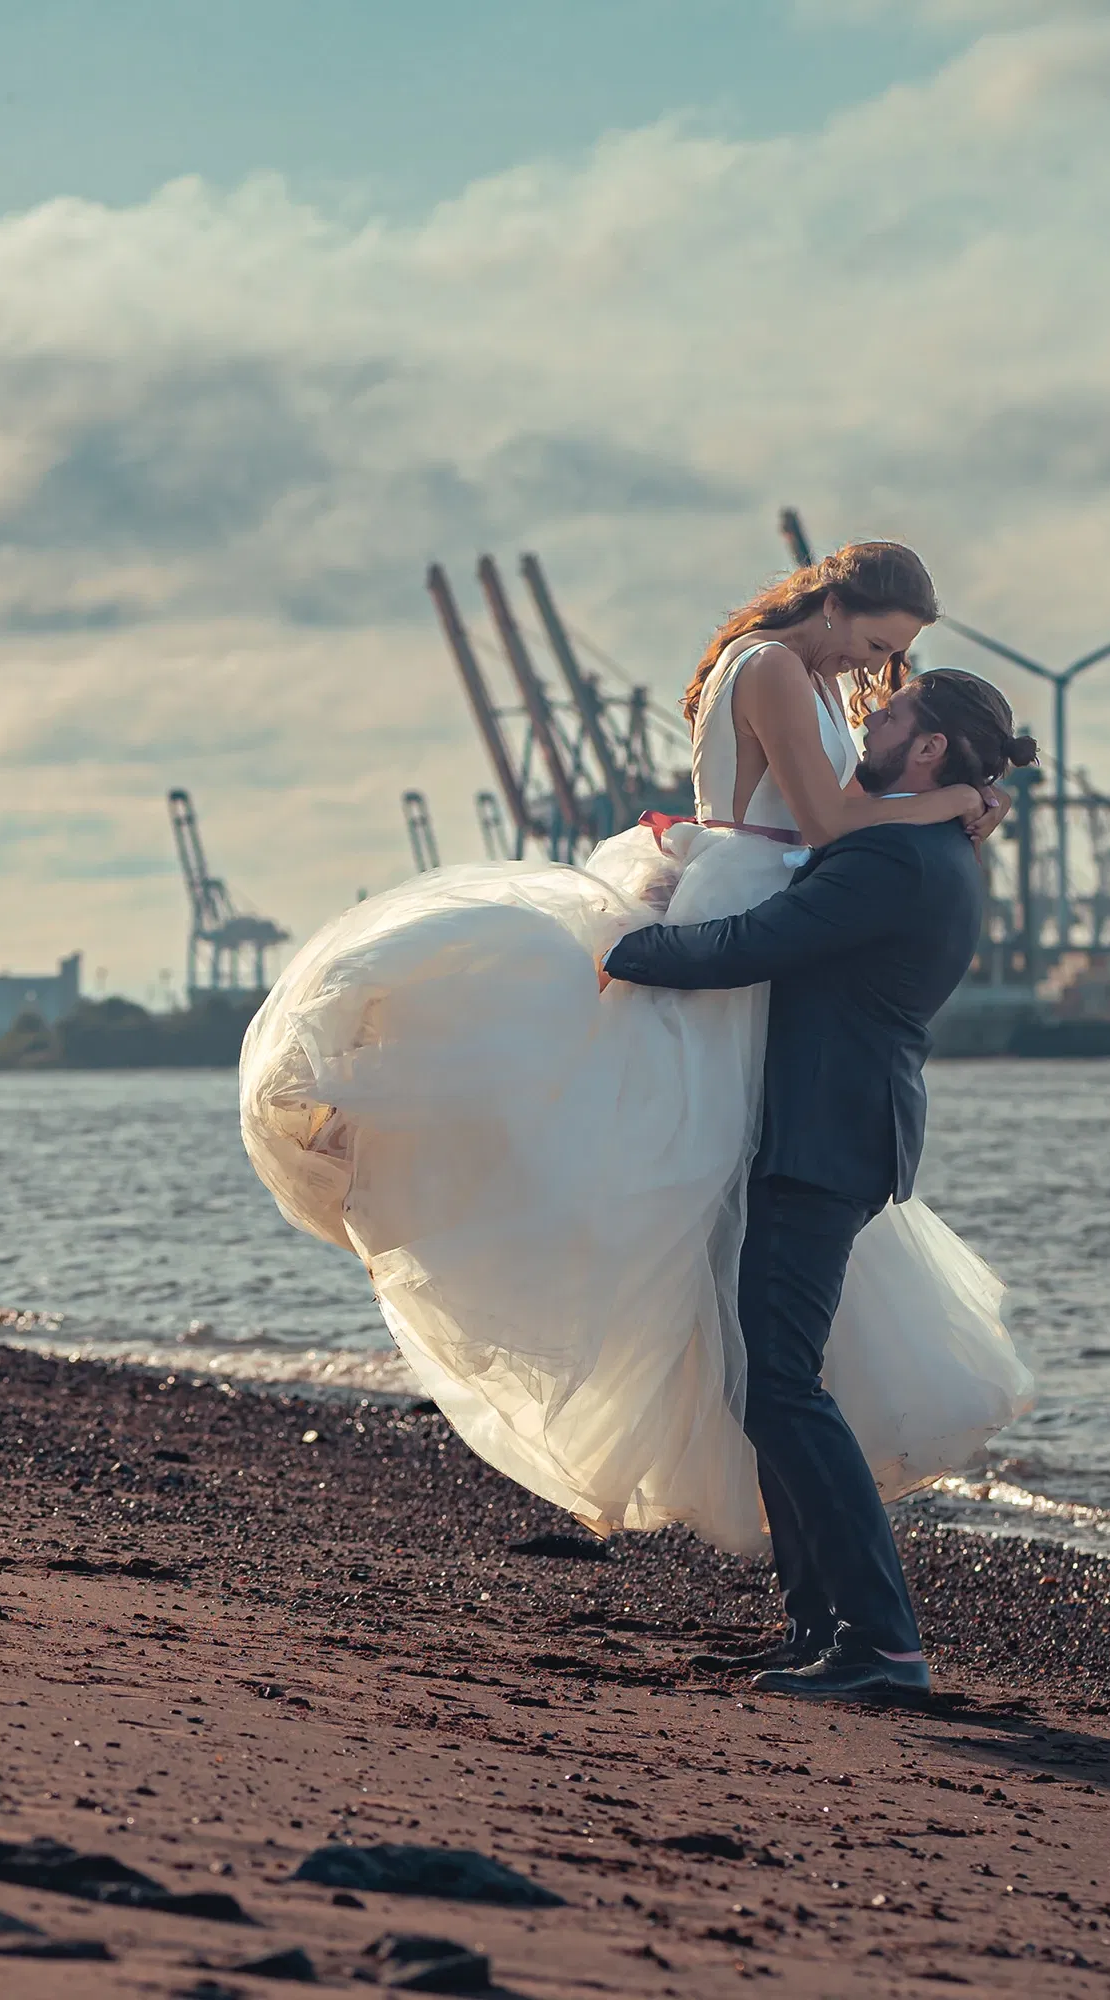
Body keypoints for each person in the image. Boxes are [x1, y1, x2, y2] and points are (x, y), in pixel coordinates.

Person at [239, 542, 1035, 1631]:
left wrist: (945, 805)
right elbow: (817, 829)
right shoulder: (777, 677)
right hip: (760, 929)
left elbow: (815, 852)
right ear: (838, 603)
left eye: (894, 666)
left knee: (761, 1344)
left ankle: (849, 1627)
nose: (875, 676)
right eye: (875, 646)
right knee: (723, 1281)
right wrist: (947, 802)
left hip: (790, 1016)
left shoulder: (872, 804)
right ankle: (840, 1624)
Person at [602, 667, 1036, 1701]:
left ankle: (881, 1641)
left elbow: (758, 944)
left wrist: (623, 949)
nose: (867, 724)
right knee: (774, 1382)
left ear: (928, 749)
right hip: (828, 1131)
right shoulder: (918, 841)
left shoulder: (894, 856)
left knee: (783, 1384)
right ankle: (817, 1623)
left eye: (888, 715)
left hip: (825, 1140)